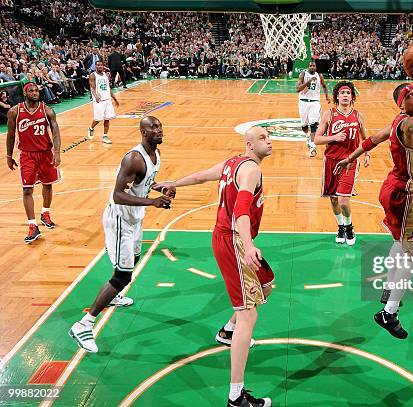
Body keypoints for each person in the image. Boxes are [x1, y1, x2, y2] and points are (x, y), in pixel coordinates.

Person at [154, 127, 273, 407]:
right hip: (233, 241)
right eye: (263, 138)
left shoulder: (232, 163)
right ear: (249, 144)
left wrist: (174, 183)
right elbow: (242, 210)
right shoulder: (250, 170)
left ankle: (227, 331)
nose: (269, 141)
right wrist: (248, 245)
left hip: (228, 238)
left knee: (266, 285)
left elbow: (202, 175)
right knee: (249, 316)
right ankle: (236, 396)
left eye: (268, 137)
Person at [334, 83, 413, 338]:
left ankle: (389, 288)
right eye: (411, 96)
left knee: (399, 241)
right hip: (407, 195)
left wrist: (351, 158)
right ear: (401, 104)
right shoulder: (407, 124)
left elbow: (373, 139)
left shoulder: (397, 122)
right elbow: (409, 127)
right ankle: (388, 312)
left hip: (394, 189)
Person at [69, 116, 174, 353]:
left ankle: (113, 296)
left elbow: (144, 181)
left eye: (160, 126)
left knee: (134, 260)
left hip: (135, 219)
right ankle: (83, 324)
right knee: (123, 276)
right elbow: (118, 194)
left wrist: (160, 188)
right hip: (120, 220)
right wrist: (153, 202)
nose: (159, 130)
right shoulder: (134, 158)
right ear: (143, 132)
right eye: (153, 127)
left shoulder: (155, 155)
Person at [313, 81, 369, 245]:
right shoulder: (328, 114)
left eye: (348, 93)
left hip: (349, 161)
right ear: (337, 96)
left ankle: (349, 226)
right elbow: (316, 139)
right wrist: (334, 138)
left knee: (344, 200)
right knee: (334, 200)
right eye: (342, 93)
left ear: (352, 97)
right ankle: (340, 227)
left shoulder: (358, 115)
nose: (345, 95)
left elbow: (365, 138)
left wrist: (366, 153)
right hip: (330, 161)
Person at [6, 82, 61, 243]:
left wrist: (57, 153)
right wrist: (9, 156)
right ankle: (32, 225)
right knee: (27, 190)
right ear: (25, 93)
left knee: (48, 184)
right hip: (27, 155)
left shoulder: (47, 111)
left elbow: (56, 133)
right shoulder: (14, 111)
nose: (35, 93)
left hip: (45, 153)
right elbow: (10, 135)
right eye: (31, 90)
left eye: (37, 90)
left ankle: (45, 213)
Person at [296, 60, 330, 157]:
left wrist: (327, 97)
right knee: (304, 125)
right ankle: (307, 136)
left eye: (313, 65)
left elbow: (324, 86)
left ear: (316, 67)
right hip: (303, 102)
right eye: (310, 65)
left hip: (315, 102)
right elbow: (297, 89)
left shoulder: (320, 76)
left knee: (314, 124)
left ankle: (312, 147)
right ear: (308, 67)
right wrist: (308, 82)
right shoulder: (303, 74)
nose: (312, 67)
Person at [87, 60, 119, 144]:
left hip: (107, 99)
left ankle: (105, 136)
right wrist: (96, 96)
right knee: (98, 119)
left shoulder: (106, 74)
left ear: (103, 66)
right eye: (98, 65)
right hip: (99, 100)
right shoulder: (93, 75)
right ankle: (91, 128)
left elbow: (108, 88)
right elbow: (92, 88)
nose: (100, 66)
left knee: (107, 118)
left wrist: (114, 98)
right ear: (96, 66)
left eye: (101, 65)